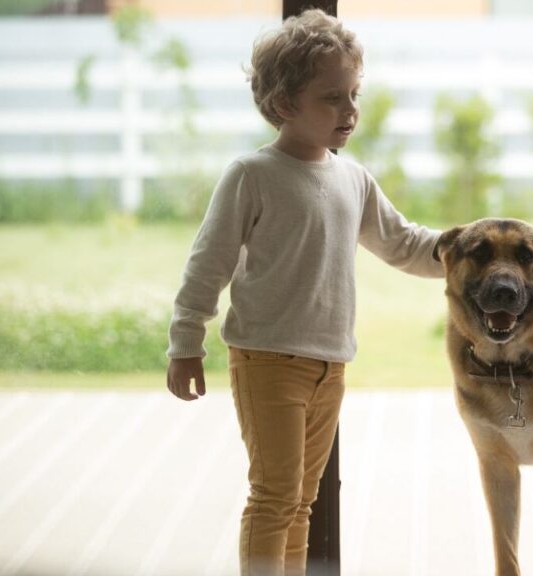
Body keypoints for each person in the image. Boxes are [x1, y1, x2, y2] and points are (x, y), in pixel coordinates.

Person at [164, 9, 443, 576]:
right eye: (332, 98)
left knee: (303, 502)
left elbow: (404, 243)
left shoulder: (353, 178)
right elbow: (207, 265)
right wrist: (185, 342)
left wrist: (474, 249)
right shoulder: (252, 175)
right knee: (274, 497)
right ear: (285, 104)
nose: (350, 110)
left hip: (330, 366)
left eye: (353, 94)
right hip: (267, 361)